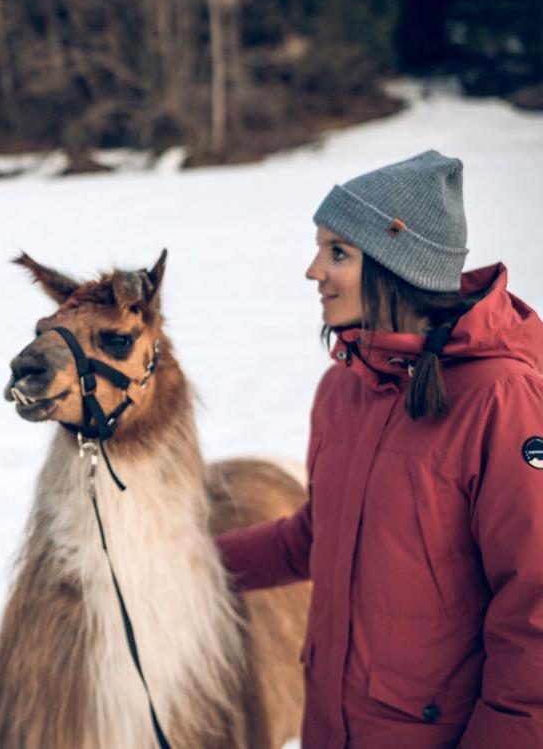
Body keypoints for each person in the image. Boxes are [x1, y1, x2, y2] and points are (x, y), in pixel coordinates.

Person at [216, 150, 543, 748]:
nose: (314, 270)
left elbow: (534, 605)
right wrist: (190, 566)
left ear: (399, 265)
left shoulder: (501, 398)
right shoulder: (344, 388)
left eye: (337, 251)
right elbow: (317, 537)